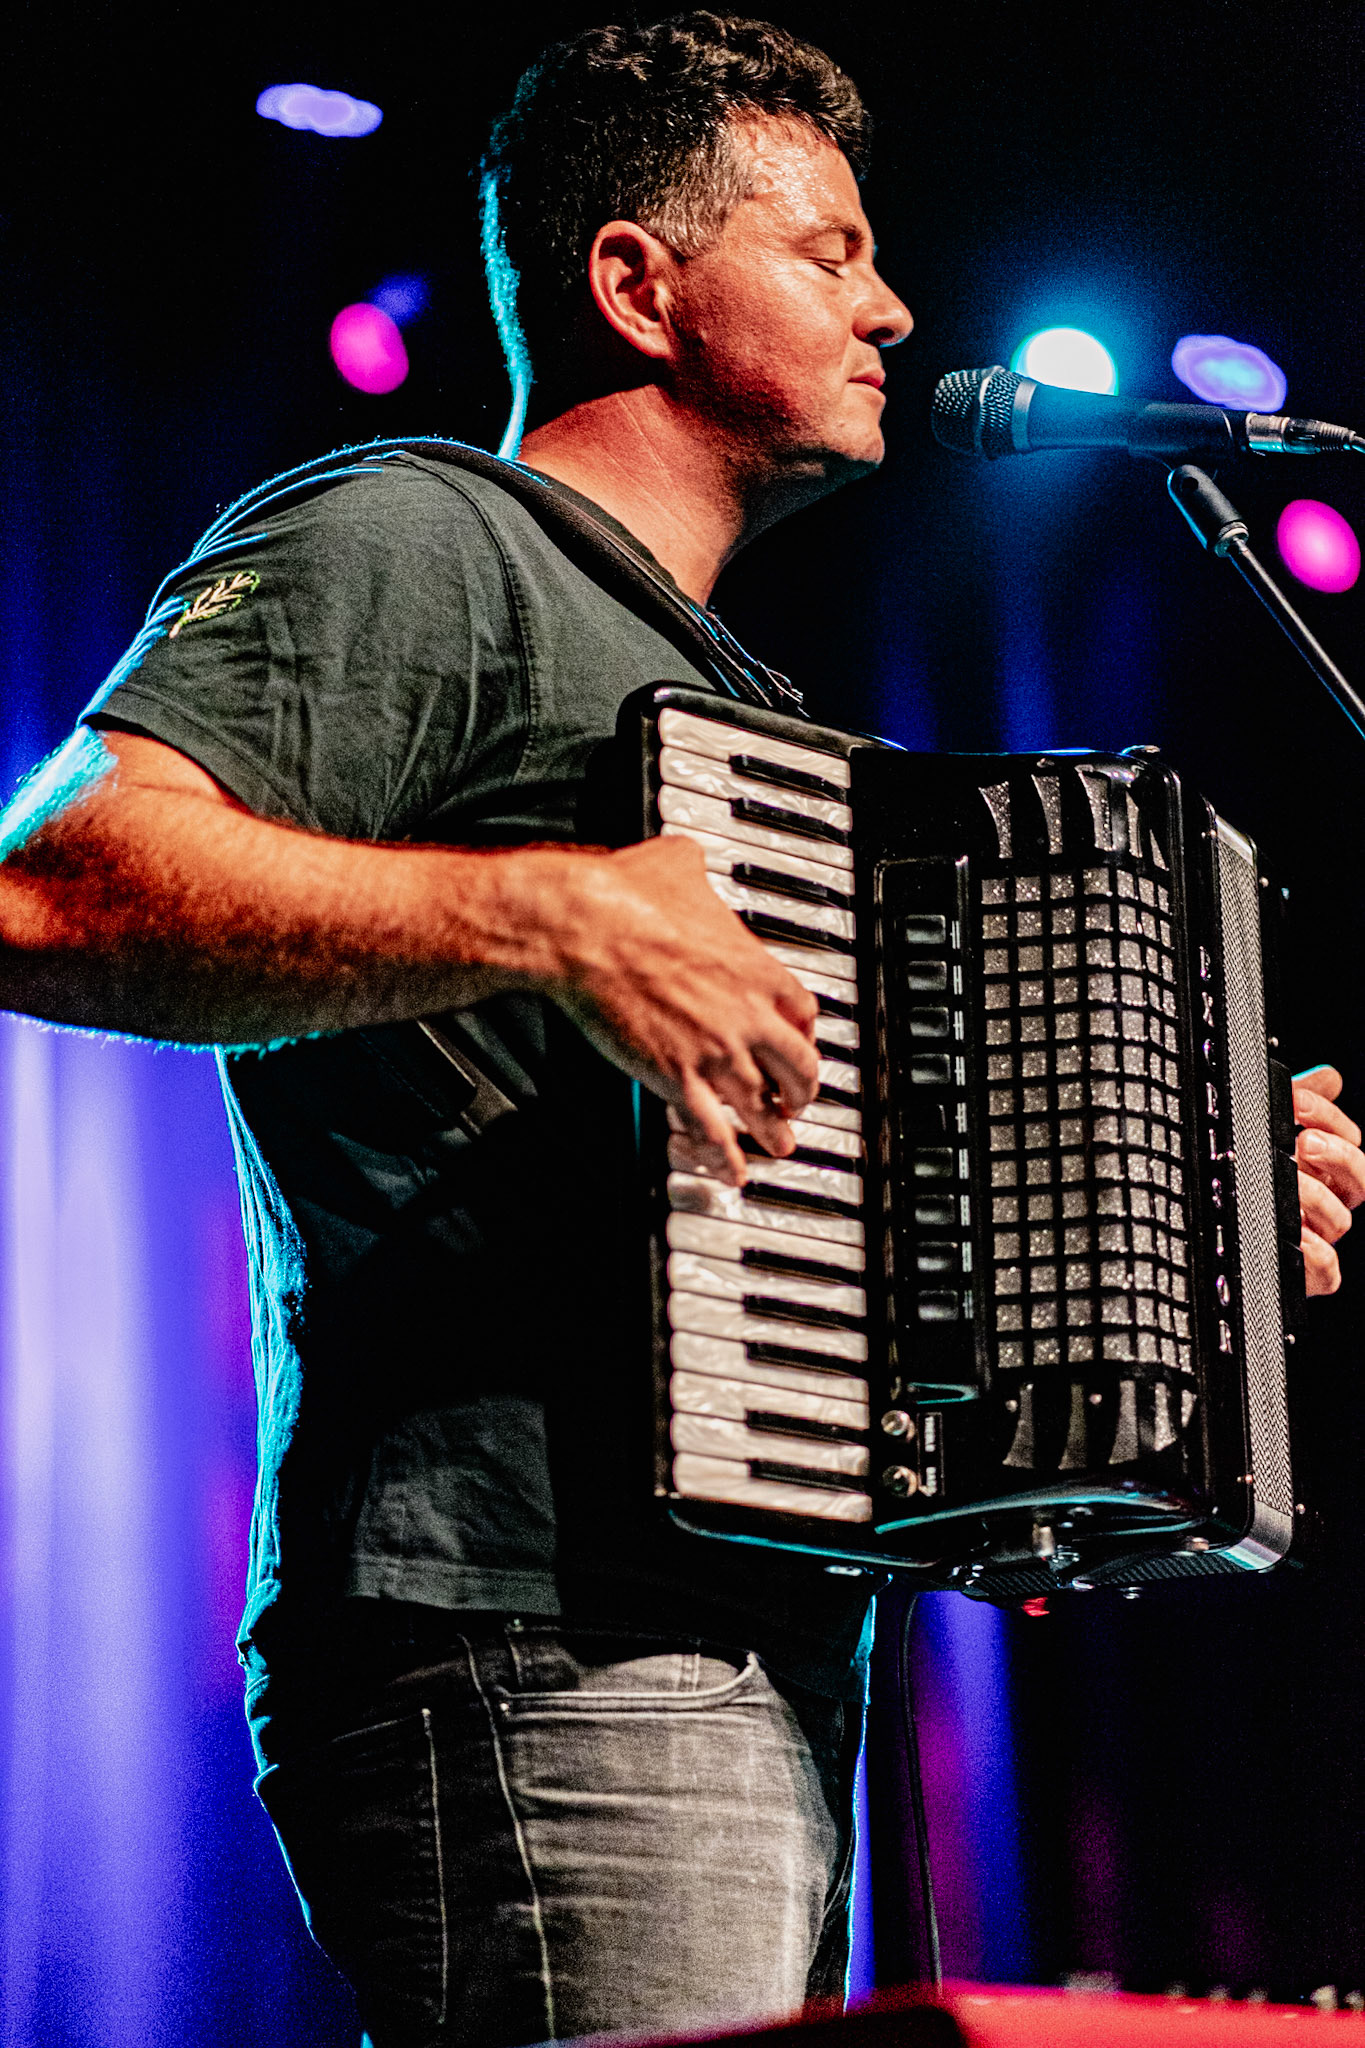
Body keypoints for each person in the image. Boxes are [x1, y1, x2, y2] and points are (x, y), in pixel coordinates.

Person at [0, 13, 1361, 2047]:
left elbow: (835, 1239)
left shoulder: (742, 712)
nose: (891, 309)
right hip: (531, 1629)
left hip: (748, 1646)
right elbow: (50, 886)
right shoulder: (419, 534)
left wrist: (1194, 1208)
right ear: (637, 284)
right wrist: (540, 912)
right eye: (827, 252)